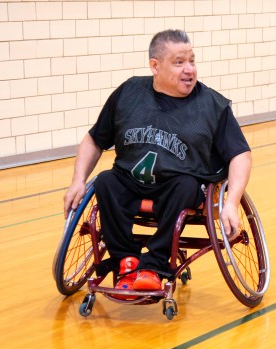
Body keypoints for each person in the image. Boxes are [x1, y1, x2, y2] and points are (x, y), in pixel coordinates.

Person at [63, 29, 252, 295]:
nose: (189, 70)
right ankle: (126, 262)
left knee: (185, 186)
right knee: (105, 182)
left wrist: (231, 202)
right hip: (130, 180)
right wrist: (78, 181)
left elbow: (241, 154)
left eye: (192, 61)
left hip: (177, 184)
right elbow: (95, 139)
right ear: (155, 66)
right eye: (179, 62)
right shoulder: (129, 92)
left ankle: (154, 266)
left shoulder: (211, 105)